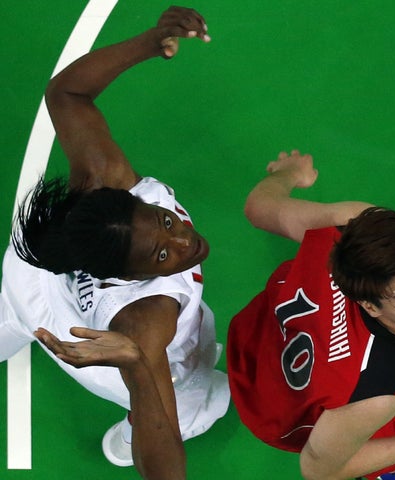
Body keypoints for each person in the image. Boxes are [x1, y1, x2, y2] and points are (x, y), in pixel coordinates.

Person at [0, 7, 229, 479]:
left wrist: (150, 42)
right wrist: (141, 370)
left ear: (133, 201)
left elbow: (66, 92)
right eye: (163, 255)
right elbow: (164, 471)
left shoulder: (109, 189)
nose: (186, 239)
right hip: (99, 348)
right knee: (207, 401)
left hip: (33, 279)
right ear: (127, 276)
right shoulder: (145, 320)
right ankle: (120, 443)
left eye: (165, 222)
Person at [226, 150, 395, 480]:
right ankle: (390, 471)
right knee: (369, 428)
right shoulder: (377, 391)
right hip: (271, 406)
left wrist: (287, 174)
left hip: (256, 333)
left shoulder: (354, 226)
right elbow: (318, 470)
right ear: (370, 306)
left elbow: (258, 209)